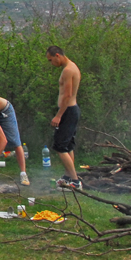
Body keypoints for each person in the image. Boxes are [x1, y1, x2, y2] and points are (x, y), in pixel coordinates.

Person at [47, 45, 82, 189]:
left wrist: (58, 116)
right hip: (71, 110)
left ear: (57, 55)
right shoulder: (72, 66)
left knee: (60, 146)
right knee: (67, 146)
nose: (51, 63)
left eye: (50, 60)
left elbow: (67, 95)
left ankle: (75, 181)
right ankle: (68, 176)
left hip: (68, 111)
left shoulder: (68, 70)